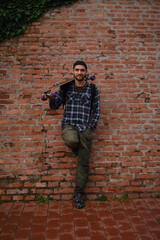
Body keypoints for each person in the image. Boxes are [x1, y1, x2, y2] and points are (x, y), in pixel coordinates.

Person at [45, 60, 100, 208]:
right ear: (73, 72)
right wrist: (50, 98)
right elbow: (56, 105)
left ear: (86, 72)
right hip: (69, 124)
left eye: (82, 70)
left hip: (84, 128)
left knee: (83, 163)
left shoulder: (93, 89)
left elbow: (97, 109)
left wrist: (90, 126)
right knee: (71, 140)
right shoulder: (66, 87)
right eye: (77, 70)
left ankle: (78, 194)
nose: (79, 72)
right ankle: (75, 148)